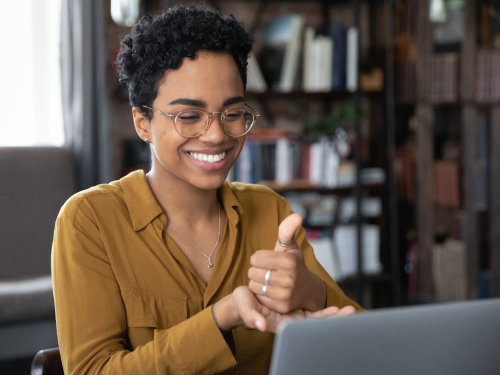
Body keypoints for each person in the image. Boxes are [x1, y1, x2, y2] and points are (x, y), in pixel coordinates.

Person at [52, 6, 363, 375]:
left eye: (232, 113)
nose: (217, 135)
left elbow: (366, 345)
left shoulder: (269, 211)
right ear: (142, 123)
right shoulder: (91, 221)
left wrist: (311, 291)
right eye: (188, 116)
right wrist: (222, 317)